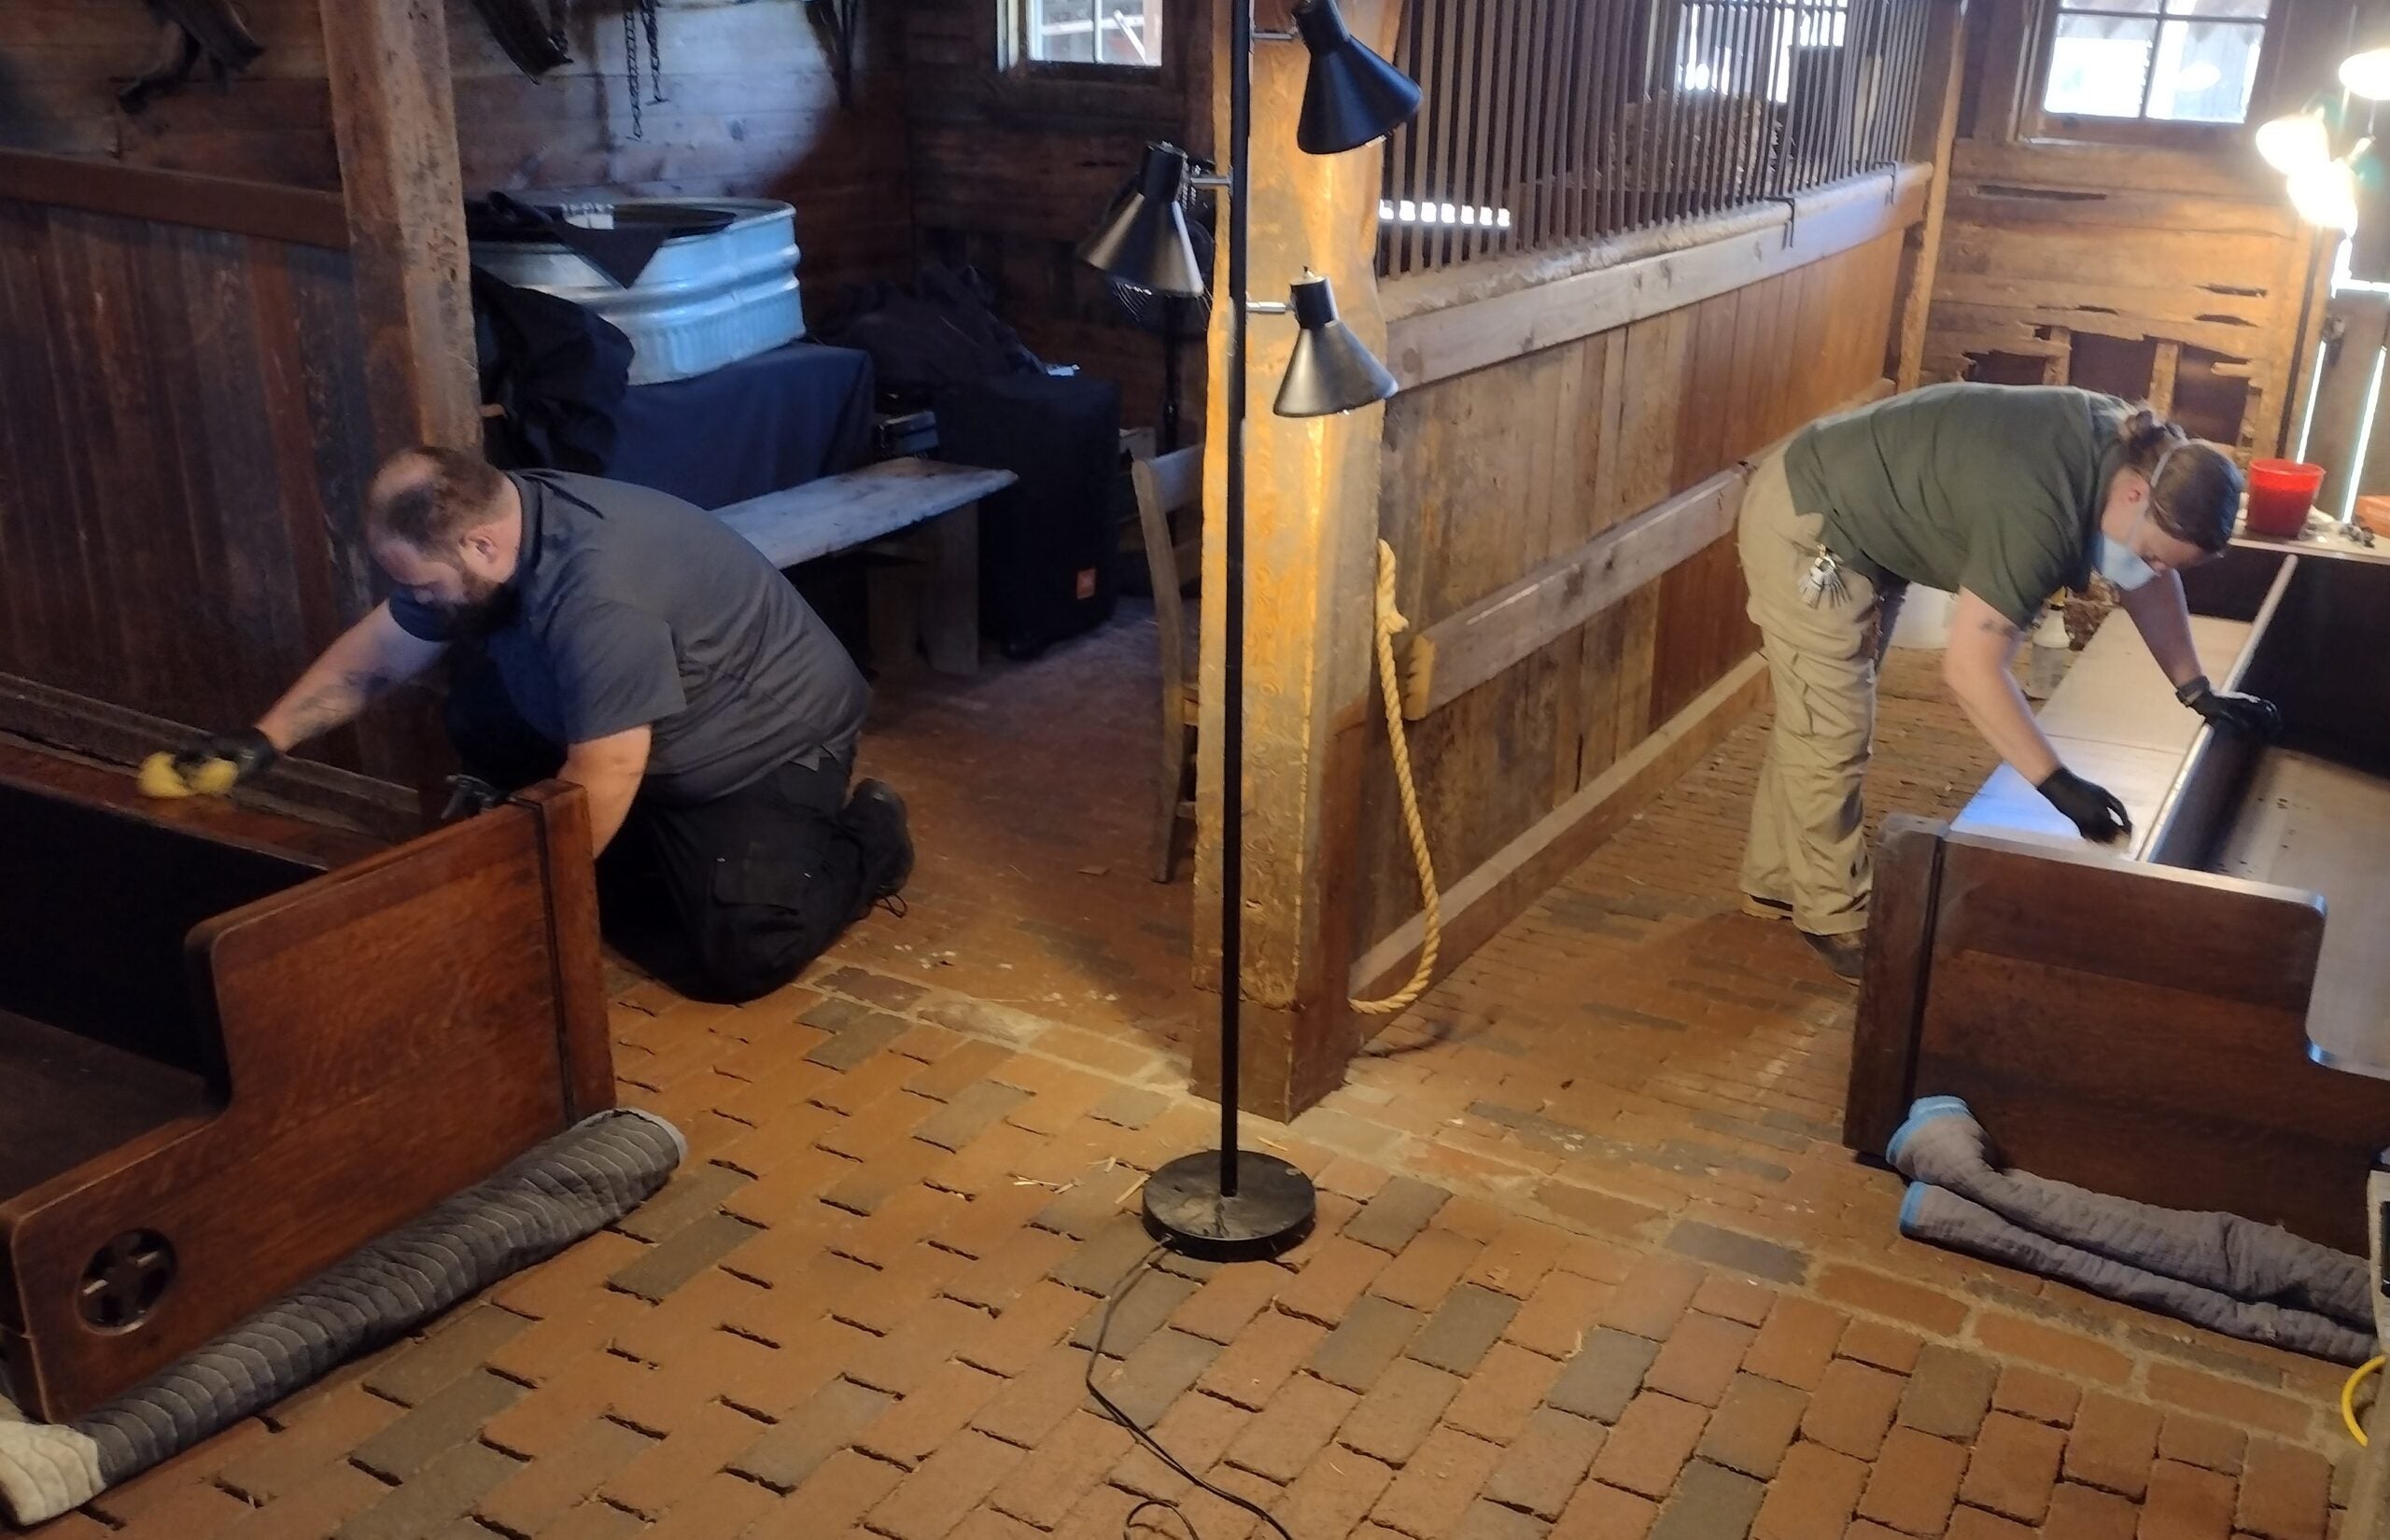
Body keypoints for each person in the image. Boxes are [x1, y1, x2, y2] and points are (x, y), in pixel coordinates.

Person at [166, 446, 914, 1003]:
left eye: (421, 583)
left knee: (743, 952)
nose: (414, 599)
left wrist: (520, 908)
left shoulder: (599, 594)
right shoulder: (499, 522)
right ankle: (646, 862)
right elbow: (385, 650)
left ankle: (871, 836)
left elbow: (609, 768)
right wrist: (266, 739)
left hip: (762, 742)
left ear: (482, 545)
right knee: (481, 715)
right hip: (633, 729)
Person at [1738, 383, 2281, 982]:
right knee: (1831, 730)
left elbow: (2147, 580)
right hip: (1813, 528)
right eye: (2154, 555)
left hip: (1863, 526)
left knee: (1817, 719)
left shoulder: (2142, 456)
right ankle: (1834, 916)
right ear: (2134, 494)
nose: (2150, 571)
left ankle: (1777, 881)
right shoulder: (2040, 510)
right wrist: (2055, 782)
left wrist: (2196, 689)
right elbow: (1970, 669)